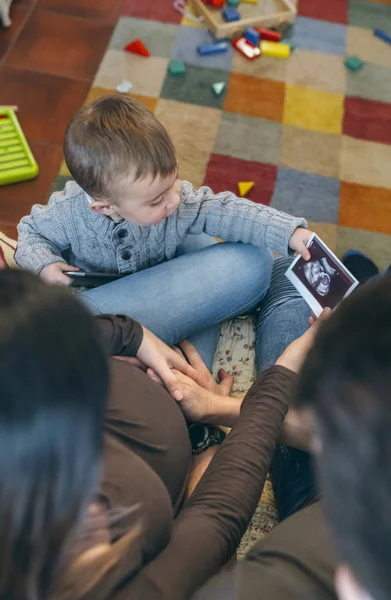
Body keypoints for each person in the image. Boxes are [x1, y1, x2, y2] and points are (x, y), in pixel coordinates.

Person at [0, 258, 317, 600]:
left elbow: (50, 336)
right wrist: (213, 422)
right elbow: (216, 523)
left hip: (175, 389)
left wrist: (135, 337)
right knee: (284, 276)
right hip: (194, 422)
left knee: (248, 265)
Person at [15, 94, 313, 378]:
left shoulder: (176, 203)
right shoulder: (67, 213)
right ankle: (184, 374)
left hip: (152, 288)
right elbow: (31, 232)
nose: (173, 200)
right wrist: (46, 265)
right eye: (156, 200)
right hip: (100, 316)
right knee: (238, 259)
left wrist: (287, 231)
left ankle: (186, 374)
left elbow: (225, 210)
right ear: (105, 206)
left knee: (228, 246)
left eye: (173, 182)